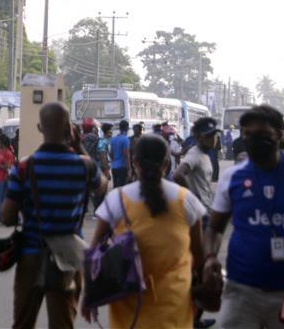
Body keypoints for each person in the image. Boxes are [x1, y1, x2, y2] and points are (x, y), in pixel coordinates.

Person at [204, 105, 284, 328]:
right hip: (240, 289)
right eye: (249, 135)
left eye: (263, 135)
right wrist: (210, 257)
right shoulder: (232, 177)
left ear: (280, 134)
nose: (255, 141)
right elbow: (215, 228)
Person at [1, 102, 107, 329]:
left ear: (40, 128)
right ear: (70, 129)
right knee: (63, 325)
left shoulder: (24, 167)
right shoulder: (84, 166)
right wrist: (80, 147)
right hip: (68, 258)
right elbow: (102, 188)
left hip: (30, 255)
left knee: (23, 324)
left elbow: (7, 217)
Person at [85, 134, 206, 329]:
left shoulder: (116, 200)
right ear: (167, 163)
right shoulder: (187, 200)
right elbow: (199, 257)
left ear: (134, 163)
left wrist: (88, 296)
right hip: (175, 304)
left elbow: (94, 253)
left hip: (129, 308)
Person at [173, 116, 217, 222]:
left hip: (206, 209)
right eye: (208, 136)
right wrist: (192, 198)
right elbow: (178, 175)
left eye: (214, 135)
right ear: (198, 137)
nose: (213, 139)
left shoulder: (204, 154)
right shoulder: (195, 154)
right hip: (199, 213)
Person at [110, 120, 131, 187]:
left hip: (114, 167)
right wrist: (129, 169)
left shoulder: (113, 139)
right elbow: (126, 156)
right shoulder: (126, 139)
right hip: (122, 168)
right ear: (127, 128)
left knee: (116, 188)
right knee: (123, 189)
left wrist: (115, 161)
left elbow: (111, 154)